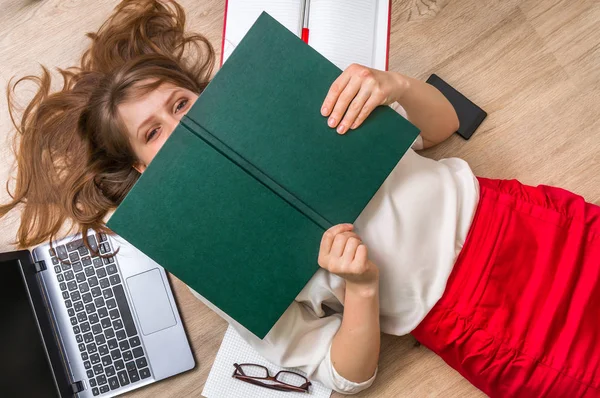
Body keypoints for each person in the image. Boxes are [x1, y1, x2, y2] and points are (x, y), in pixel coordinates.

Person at [2, 1, 599, 396]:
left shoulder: (301, 102)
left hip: (527, 219)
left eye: (180, 105)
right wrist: (361, 290)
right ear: (139, 166)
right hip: (483, 326)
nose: (179, 128)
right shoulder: (210, 258)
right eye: (153, 132)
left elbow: (440, 126)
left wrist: (394, 86)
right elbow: (344, 377)